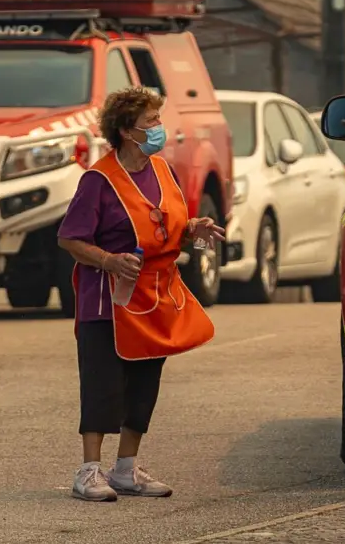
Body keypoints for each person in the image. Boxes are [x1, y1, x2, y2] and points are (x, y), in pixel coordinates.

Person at [56, 87, 223, 502]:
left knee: (146, 380)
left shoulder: (163, 170)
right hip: (106, 299)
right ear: (128, 131)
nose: (159, 129)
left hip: (156, 296)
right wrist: (108, 260)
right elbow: (71, 239)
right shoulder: (98, 180)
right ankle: (89, 471)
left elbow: (167, 227)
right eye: (151, 122)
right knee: (102, 381)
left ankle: (126, 468)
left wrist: (193, 231)